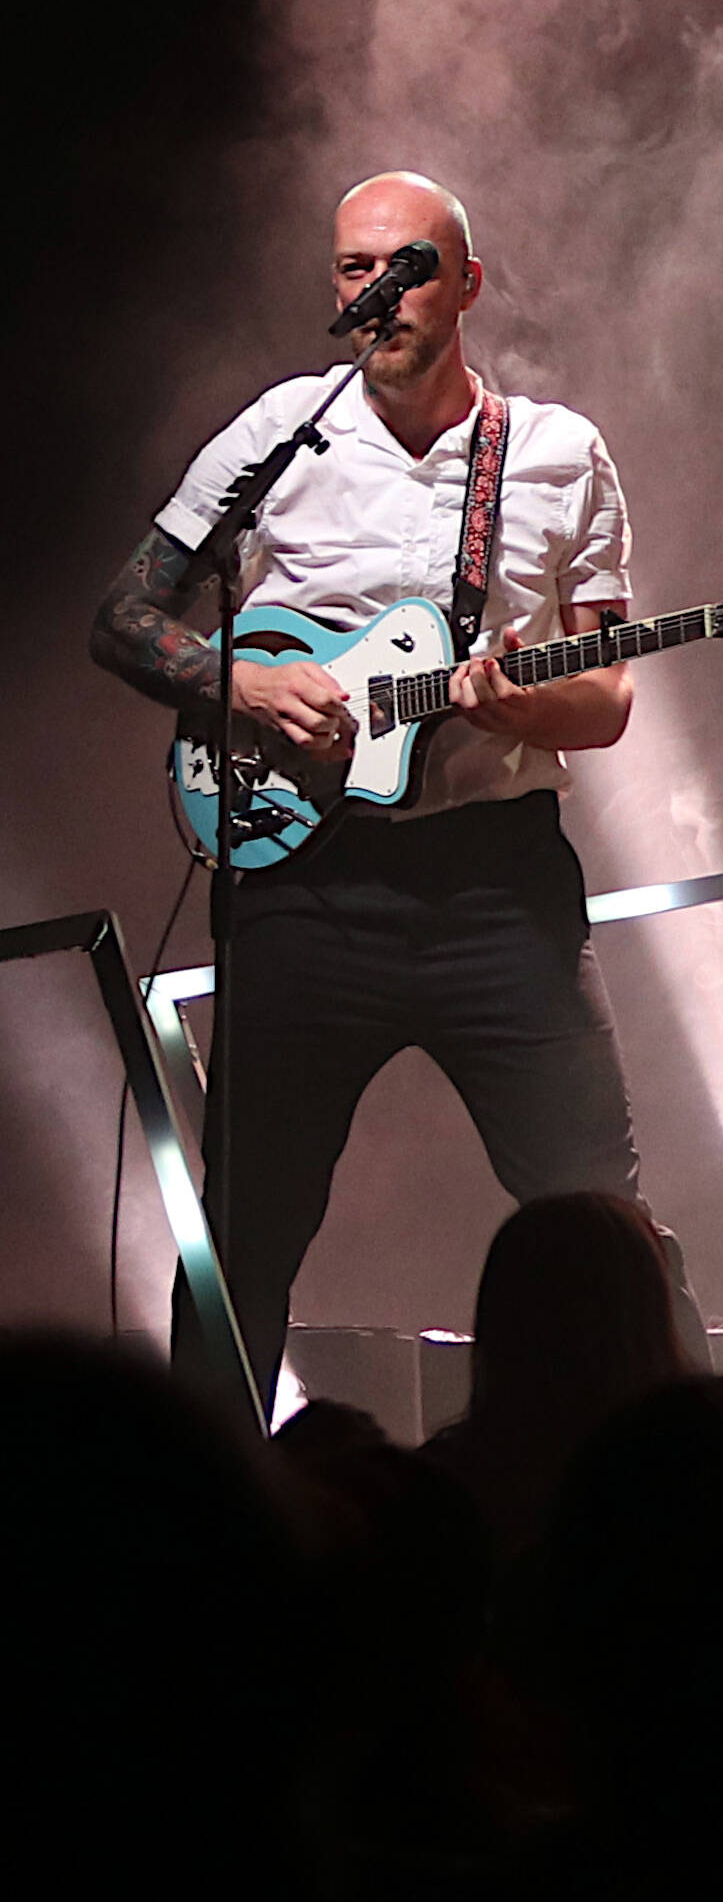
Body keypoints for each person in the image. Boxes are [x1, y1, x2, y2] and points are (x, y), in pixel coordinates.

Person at [90, 175, 645, 1407]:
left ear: (467, 284)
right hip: (308, 884)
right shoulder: (279, 432)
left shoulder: (556, 453)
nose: (377, 291)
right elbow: (124, 618)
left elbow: (605, 700)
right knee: (241, 1237)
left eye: (407, 266)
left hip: (495, 882)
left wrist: (520, 702)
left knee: (601, 1218)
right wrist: (242, 689)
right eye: (354, 269)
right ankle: (211, 1514)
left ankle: (666, 1491)